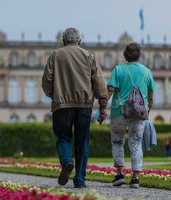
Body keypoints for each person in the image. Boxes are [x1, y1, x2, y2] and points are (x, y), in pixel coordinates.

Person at [42, 27, 108, 188]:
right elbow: (99, 82)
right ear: (79, 41)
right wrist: (103, 105)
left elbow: (46, 81)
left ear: (64, 41)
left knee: (63, 137)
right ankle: (79, 179)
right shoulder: (88, 56)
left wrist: (55, 96)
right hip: (84, 106)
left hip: (61, 106)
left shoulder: (55, 55)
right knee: (82, 141)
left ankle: (66, 162)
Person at [107, 43, 155, 188]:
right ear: (139, 55)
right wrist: (148, 111)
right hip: (139, 113)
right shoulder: (147, 72)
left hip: (119, 112)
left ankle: (120, 174)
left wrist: (102, 107)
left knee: (117, 142)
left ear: (125, 56)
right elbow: (151, 96)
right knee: (135, 143)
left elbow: (109, 90)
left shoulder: (118, 69)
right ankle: (135, 178)